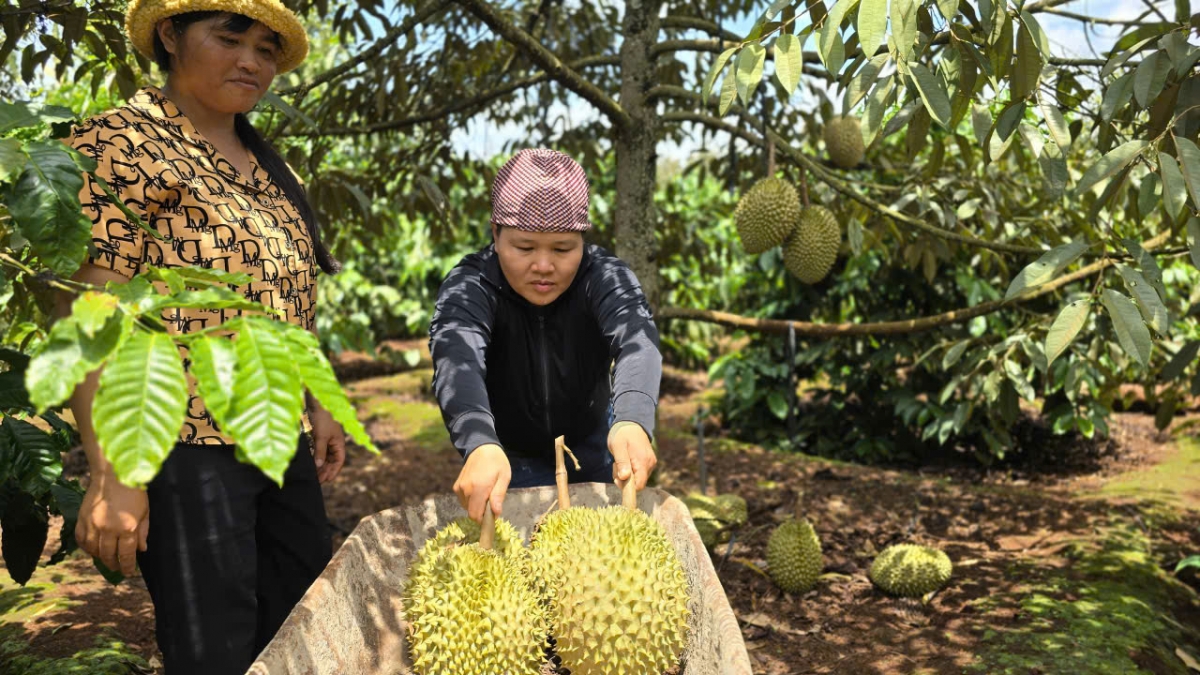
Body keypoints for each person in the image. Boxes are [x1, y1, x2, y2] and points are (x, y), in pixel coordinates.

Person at [63, 1, 343, 672]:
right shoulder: (121, 142)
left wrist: (321, 399)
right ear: (170, 35)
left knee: (304, 622)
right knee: (213, 648)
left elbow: (288, 301)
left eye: (267, 50)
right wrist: (111, 470)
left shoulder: (273, 171)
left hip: (276, 440)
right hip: (183, 445)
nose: (252, 60)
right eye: (230, 37)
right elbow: (90, 313)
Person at [430, 148, 663, 523]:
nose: (543, 266)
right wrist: (479, 443)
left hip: (597, 447)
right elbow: (457, 359)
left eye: (562, 248)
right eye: (524, 247)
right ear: (495, 233)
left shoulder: (604, 277)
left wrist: (633, 419)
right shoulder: (471, 285)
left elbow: (638, 342)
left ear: (582, 241)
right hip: (510, 455)